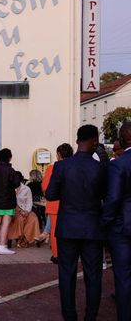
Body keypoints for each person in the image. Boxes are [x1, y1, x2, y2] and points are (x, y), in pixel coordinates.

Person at [46, 124, 106, 321]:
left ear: (77, 140)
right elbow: (107, 196)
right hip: (92, 227)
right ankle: (90, 317)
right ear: (95, 142)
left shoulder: (62, 166)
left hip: (67, 227)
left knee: (66, 273)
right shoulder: (100, 168)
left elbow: (51, 194)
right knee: (93, 275)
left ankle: (69, 316)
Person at [103, 122, 131, 321]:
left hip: (123, 228)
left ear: (122, 139)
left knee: (124, 278)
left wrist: (105, 222)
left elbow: (112, 198)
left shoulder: (119, 164)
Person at [42, 143, 74, 263]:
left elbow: (45, 186)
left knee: (56, 231)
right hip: (71, 203)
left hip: (55, 203)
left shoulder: (52, 168)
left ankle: (57, 255)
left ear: (59, 155)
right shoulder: (74, 166)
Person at [0, 148, 18, 255]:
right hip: (8, 201)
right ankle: (3, 246)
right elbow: (16, 183)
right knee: (5, 224)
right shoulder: (9, 170)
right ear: (8, 158)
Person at [8, 171, 41, 247]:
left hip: (26, 209)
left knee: (34, 218)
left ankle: (26, 239)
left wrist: (27, 211)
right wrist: (19, 211)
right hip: (14, 210)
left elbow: (29, 202)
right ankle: (19, 239)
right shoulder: (9, 188)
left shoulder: (26, 189)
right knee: (19, 219)